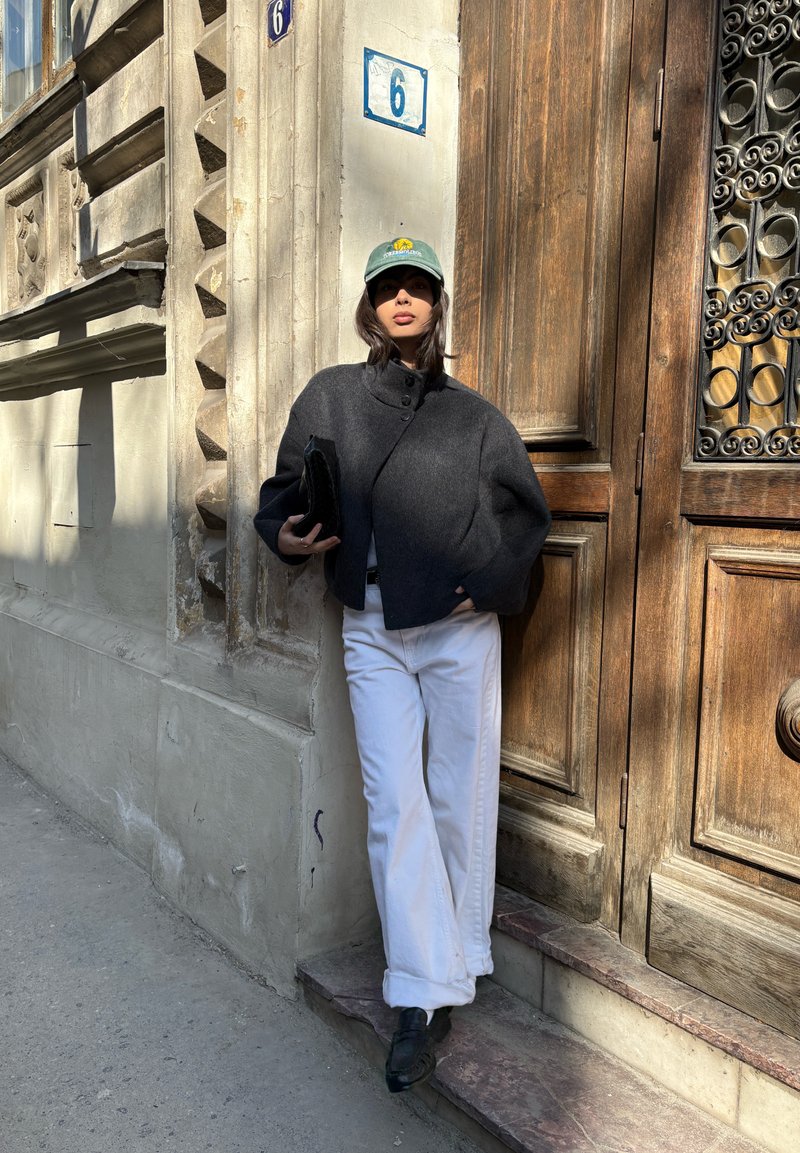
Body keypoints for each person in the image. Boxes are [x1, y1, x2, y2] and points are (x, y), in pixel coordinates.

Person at [254, 237, 551, 1093]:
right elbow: (283, 491)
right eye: (390, 287)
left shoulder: (476, 416)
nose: (405, 299)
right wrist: (286, 531)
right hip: (372, 623)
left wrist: (491, 582)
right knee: (394, 801)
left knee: (460, 794)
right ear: (371, 305)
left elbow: (525, 515)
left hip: (458, 630)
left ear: (437, 303)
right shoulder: (332, 396)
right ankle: (419, 994)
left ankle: (449, 964)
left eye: (420, 286)